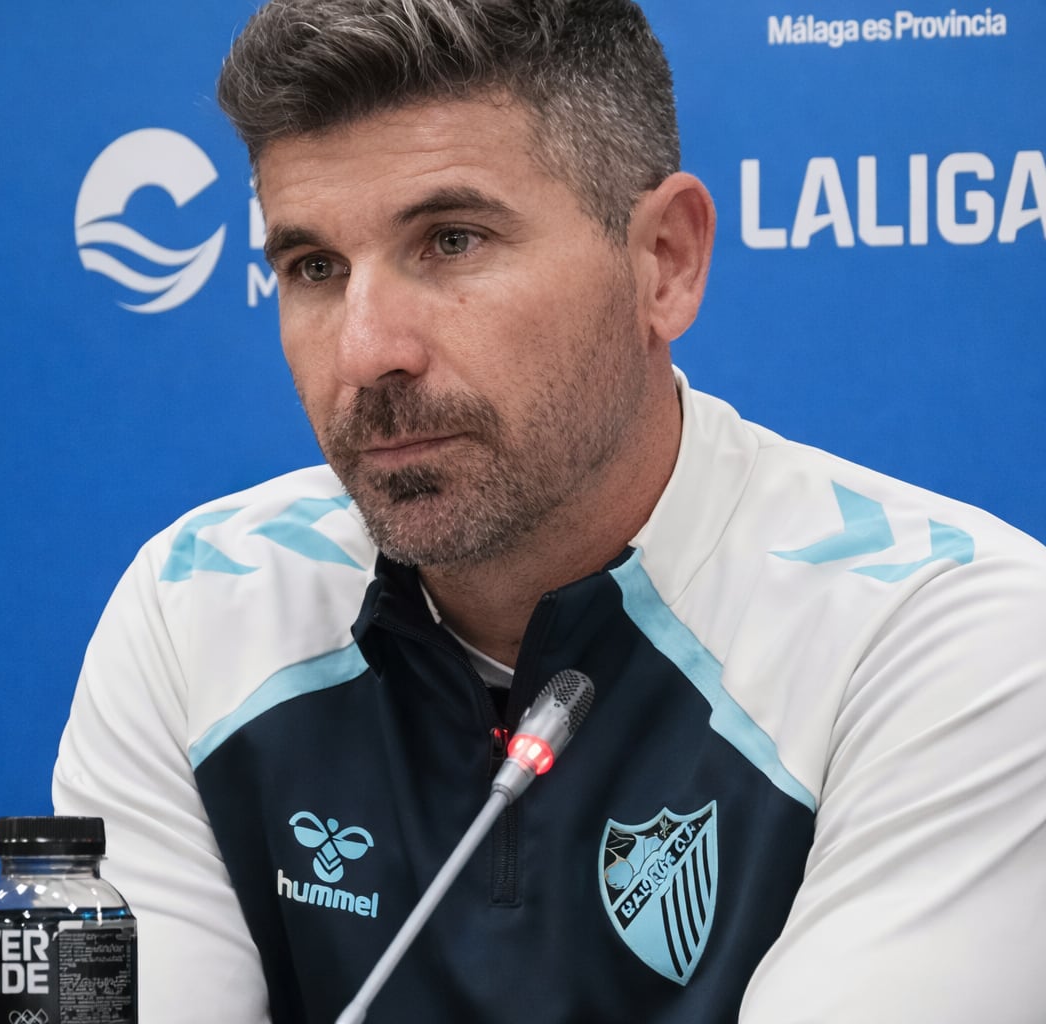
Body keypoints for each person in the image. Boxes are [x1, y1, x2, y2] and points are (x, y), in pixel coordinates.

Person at [54, 1, 1046, 1020]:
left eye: (450, 241)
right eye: (313, 268)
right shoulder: (198, 608)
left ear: (664, 260)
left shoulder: (949, 637)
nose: (365, 352)